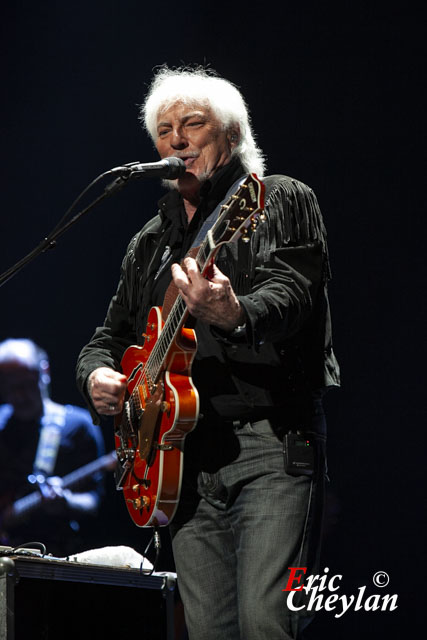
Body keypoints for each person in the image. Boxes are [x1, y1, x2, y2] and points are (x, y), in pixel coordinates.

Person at [76, 66, 340, 639]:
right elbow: (109, 337)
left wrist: (232, 310)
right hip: (181, 461)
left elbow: (293, 292)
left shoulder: (279, 199)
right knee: (206, 631)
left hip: (270, 445)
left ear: (232, 136)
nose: (177, 139)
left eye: (193, 124)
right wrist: (96, 373)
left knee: (266, 623)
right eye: (164, 129)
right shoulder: (150, 240)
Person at [0, 338, 106, 557]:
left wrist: (65, 501)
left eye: (26, 384)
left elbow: (94, 501)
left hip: (57, 554)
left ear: (44, 371)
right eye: (10, 386)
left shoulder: (78, 425)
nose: (19, 395)